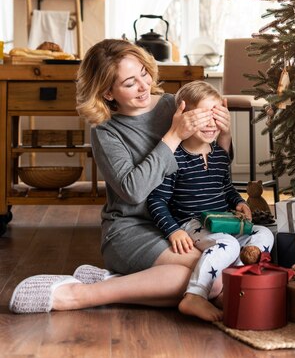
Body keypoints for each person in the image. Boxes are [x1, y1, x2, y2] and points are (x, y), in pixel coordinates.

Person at [9, 39, 232, 315]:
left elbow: (210, 171)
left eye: (143, 73)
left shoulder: (172, 105)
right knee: (213, 280)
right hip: (132, 229)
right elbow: (133, 192)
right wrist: (173, 136)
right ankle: (80, 295)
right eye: (129, 83)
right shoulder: (106, 131)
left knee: (217, 277)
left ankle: (114, 282)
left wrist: (223, 135)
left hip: (179, 226)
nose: (143, 86)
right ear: (108, 92)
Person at [148, 80, 274, 322]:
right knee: (228, 243)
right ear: (184, 117)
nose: (210, 123)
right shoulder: (173, 157)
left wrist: (239, 202)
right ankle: (195, 295)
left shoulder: (218, 154)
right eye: (202, 116)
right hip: (192, 224)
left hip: (224, 222)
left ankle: (241, 277)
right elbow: (156, 201)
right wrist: (173, 231)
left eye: (216, 115)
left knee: (264, 234)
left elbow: (226, 187)